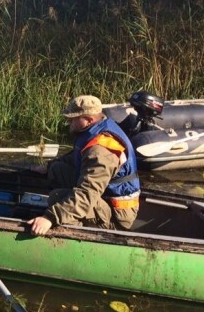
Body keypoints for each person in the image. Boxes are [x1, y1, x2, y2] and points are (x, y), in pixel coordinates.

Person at [27, 95, 140, 236]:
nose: (68, 121)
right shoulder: (94, 128)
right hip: (104, 193)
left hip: (116, 215)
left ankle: (78, 232)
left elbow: (87, 194)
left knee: (57, 197)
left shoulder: (101, 151)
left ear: (89, 120)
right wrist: (48, 167)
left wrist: (50, 217)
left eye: (73, 118)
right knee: (57, 170)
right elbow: (78, 155)